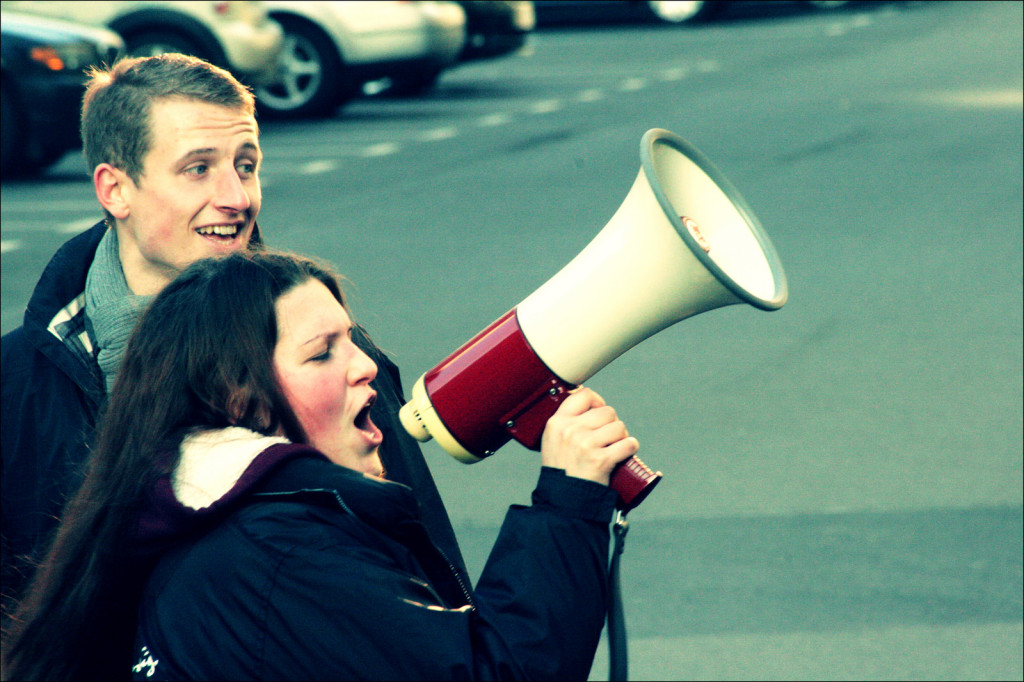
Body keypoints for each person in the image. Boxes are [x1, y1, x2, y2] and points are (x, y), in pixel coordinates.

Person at [0, 251, 640, 681]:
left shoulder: (231, 526)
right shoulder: (274, 557)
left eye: (352, 340)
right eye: (321, 354)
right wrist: (568, 499)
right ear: (238, 397)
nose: (364, 366)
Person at [0, 54, 466, 616]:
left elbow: (421, 568)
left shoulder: (331, 354)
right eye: (198, 168)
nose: (238, 197)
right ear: (115, 190)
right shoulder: (19, 380)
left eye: (246, 166)